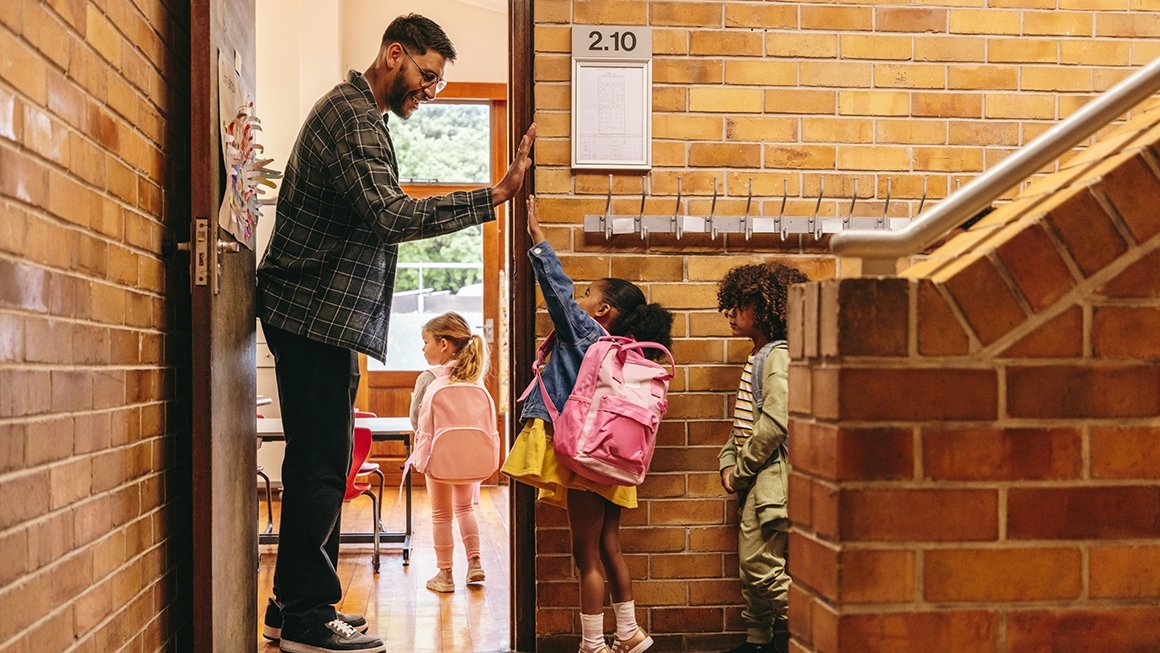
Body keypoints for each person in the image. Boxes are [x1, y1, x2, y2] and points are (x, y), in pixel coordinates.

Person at [256, 13, 536, 653]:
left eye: (437, 84)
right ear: (394, 53)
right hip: (312, 315)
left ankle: (290, 606)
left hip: (324, 317)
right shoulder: (353, 117)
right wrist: (493, 196)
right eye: (427, 77)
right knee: (321, 466)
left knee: (321, 461)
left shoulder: (363, 116)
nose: (429, 92)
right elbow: (388, 215)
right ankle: (304, 616)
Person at [502, 196, 672, 653]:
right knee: (610, 545)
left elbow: (557, 291)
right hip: (617, 458)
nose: (579, 301)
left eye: (588, 296)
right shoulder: (629, 352)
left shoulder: (589, 336)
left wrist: (538, 240)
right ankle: (630, 632)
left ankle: (593, 643)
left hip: (587, 457)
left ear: (602, 312)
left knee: (586, 554)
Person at [715, 262, 808, 653]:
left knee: (760, 566)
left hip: (769, 477)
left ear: (768, 308)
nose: (730, 313)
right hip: (755, 476)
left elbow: (776, 420)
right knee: (751, 567)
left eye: (740, 304)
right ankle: (759, 642)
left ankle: (821, 631)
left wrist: (742, 469)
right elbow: (743, 422)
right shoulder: (761, 354)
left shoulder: (777, 356)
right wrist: (726, 460)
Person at [407, 312, 490, 593]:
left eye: (426, 341)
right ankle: (475, 562)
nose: (423, 348)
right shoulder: (473, 377)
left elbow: (415, 420)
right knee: (466, 508)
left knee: (441, 515)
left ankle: (445, 575)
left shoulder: (429, 378)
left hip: (438, 457)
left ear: (443, 344)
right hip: (470, 456)